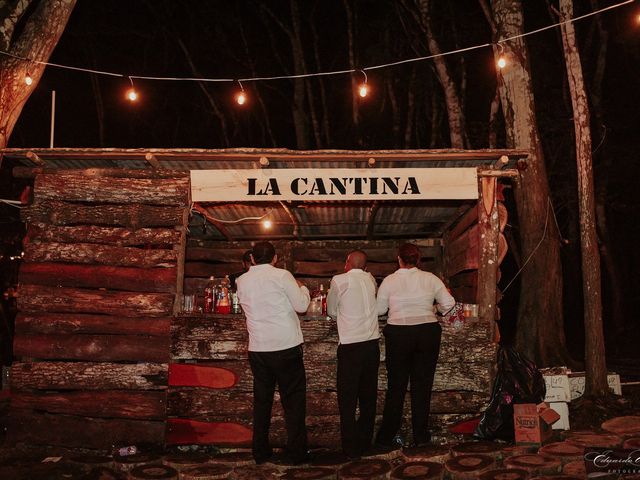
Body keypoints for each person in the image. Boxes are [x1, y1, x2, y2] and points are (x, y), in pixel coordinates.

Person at [236, 241, 311, 464]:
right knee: (293, 401)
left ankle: (260, 452)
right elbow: (301, 306)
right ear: (275, 258)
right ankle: (296, 452)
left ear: (252, 259)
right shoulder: (282, 276)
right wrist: (304, 288)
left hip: (258, 348)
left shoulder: (242, 280)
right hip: (285, 346)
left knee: (262, 401)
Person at [375, 243, 455, 447]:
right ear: (418, 260)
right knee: (422, 385)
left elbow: (379, 310)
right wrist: (434, 308)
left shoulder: (389, 281)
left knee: (396, 386)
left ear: (399, 259)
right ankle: (420, 435)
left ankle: (386, 436)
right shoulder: (431, 279)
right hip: (427, 333)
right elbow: (449, 304)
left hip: (399, 334)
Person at [326, 250, 380, 459]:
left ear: (348, 263)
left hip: (350, 346)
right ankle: (365, 443)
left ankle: (350, 448)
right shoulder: (370, 279)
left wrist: (343, 314)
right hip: (371, 345)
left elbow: (331, 311)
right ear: (365, 266)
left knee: (347, 400)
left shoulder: (339, 280)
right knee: (368, 397)